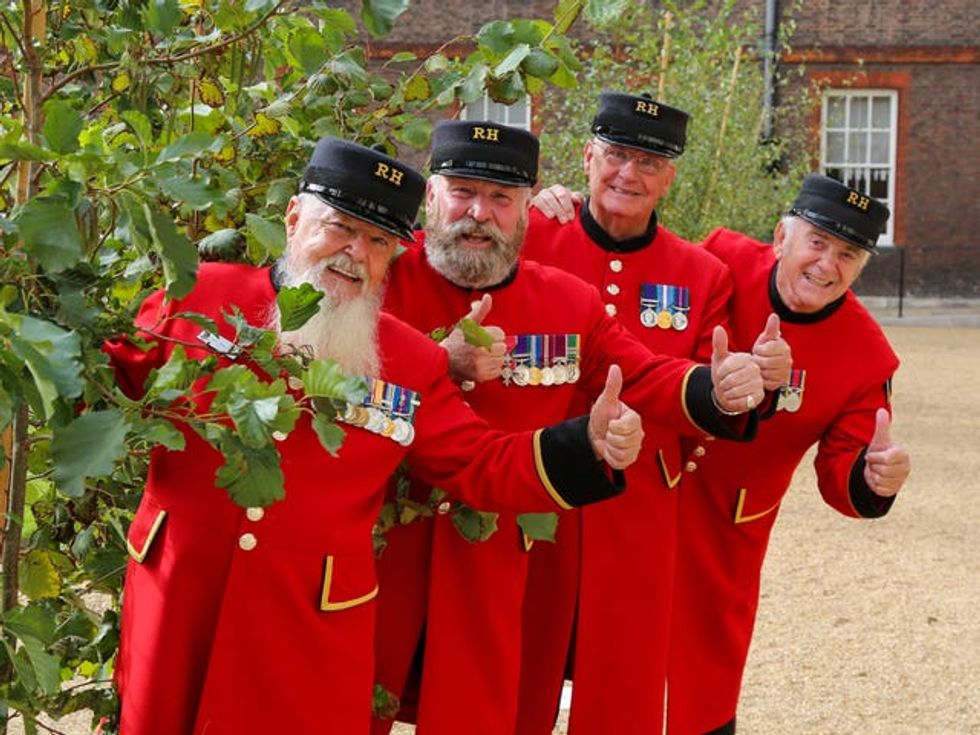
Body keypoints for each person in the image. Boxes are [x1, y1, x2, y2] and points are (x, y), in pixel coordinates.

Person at [103, 137, 652, 735]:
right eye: (339, 229)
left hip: (309, 622)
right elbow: (104, 381)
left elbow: (480, 461)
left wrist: (588, 445)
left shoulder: (409, 361)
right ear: (293, 218)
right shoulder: (199, 296)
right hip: (179, 594)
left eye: (378, 242)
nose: (354, 254)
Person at [371, 120, 769, 735]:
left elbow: (644, 373)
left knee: (481, 716)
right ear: (432, 195)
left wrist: (714, 389)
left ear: (527, 208)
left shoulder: (568, 302)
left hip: (496, 566)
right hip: (382, 555)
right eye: (463, 192)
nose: (480, 213)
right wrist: (434, 361)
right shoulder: (379, 280)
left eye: (501, 198)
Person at [515, 91, 790, 735]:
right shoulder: (531, 237)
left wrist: (738, 386)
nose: (628, 174)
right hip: (532, 487)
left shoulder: (700, 272)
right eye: (615, 155)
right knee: (518, 669)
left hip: (638, 506)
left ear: (670, 177)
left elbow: (711, 394)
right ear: (586, 157)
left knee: (623, 680)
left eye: (648, 162)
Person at [666, 174, 912, 734]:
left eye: (848, 254)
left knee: (704, 680)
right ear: (781, 236)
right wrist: (572, 211)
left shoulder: (869, 356)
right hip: (642, 489)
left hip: (728, 527)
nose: (827, 265)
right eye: (818, 242)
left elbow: (842, 467)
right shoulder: (720, 255)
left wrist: (874, 478)